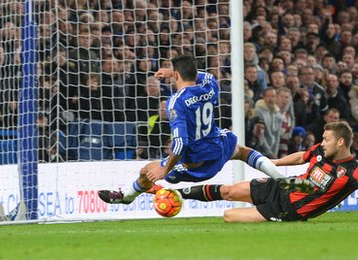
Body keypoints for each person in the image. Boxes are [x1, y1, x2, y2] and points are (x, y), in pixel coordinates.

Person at [98, 54, 285, 204]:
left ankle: (125, 198)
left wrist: (164, 171)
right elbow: (205, 75)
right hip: (217, 148)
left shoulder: (176, 101)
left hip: (197, 164)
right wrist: (174, 71)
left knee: (146, 171)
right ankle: (281, 180)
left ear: (177, 75)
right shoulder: (210, 86)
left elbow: (180, 144)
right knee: (243, 151)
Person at [174, 121, 358, 222]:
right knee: (228, 190)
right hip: (284, 185)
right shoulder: (321, 152)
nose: (321, 143)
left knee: (229, 215)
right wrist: (273, 164)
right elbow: (301, 157)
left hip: (288, 209)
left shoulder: (353, 173)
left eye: (326, 139)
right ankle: (174, 194)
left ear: (340, 143)